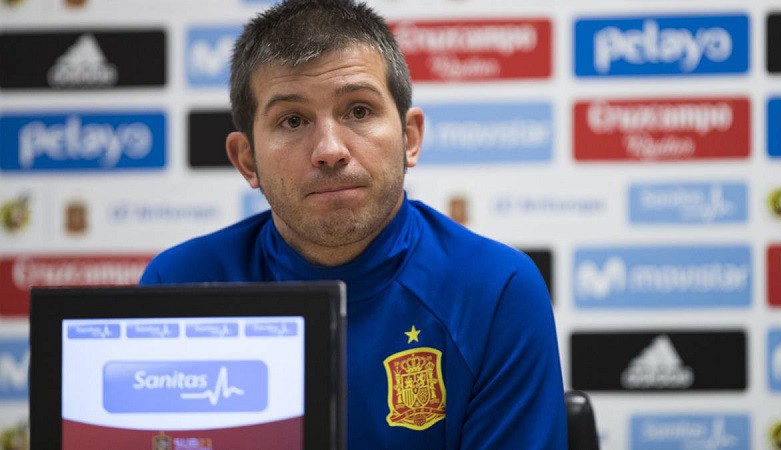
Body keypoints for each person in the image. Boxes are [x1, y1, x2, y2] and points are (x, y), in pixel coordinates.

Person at [140, 0, 567, 448]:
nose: (329, 150)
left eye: (359, 111)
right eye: (293, 120)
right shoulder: (179, 286)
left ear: (410, 138)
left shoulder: (495, 291)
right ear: (247, 160)